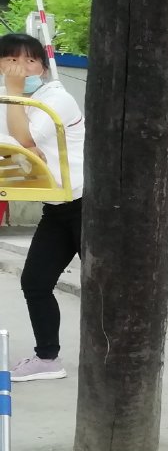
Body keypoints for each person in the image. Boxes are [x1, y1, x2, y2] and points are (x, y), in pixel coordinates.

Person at [0, 34, 86, 382]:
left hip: (88, 205)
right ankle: (47, 358)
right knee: (35, 282)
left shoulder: (55, 99)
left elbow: (24, 140)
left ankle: (122, 355)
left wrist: (14, 91)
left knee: (105, 285)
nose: (20, 68)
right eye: (11, 60)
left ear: (43, 67)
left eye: (29, 60)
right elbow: (12, 149)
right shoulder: (11, 101)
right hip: (56, 207)